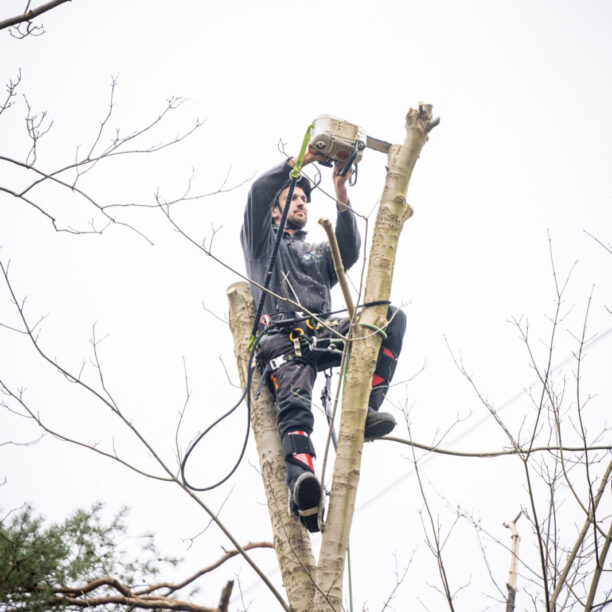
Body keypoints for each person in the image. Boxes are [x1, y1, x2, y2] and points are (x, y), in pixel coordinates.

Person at [241, 150, 406, 532]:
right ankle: (303, 486)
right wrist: (296, 163)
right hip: (283, 340)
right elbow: (256, 195)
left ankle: (366, 408)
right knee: (296, 410)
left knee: (390, 319)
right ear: (276, 209)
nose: (301, 201)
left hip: (320, 336)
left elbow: (346, 252)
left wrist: (340, 190)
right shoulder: (262, 246)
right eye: (293, 196)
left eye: (304, 198)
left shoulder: (315, 253)